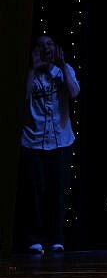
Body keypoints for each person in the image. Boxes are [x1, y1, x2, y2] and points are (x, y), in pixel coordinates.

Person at [18, 34, 80, 254]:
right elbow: (22, 100)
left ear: (55, 48)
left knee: (57, 193)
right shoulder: (30, 73)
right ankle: (34, 238)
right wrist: (32, 70)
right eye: (41, 45)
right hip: (33, 141)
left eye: (50, 44)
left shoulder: (64, 70)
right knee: (35, 193)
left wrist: (62, 67)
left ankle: (56, 238)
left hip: (61, 141)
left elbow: (74, 93)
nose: (46, 48)